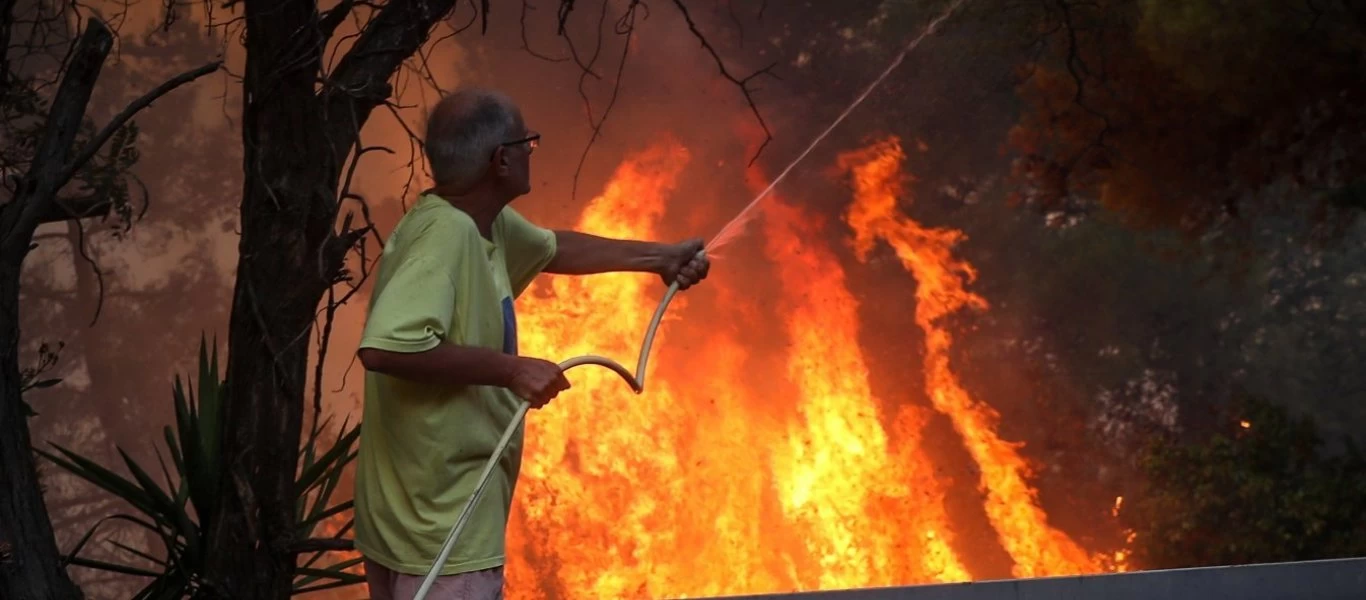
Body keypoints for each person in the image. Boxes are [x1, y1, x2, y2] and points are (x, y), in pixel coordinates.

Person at [351, 87, 710, 600]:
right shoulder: (445, 239)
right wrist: (510, 370)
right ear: (501, 160)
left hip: (414, 514)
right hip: (441, 524)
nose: (530, 152)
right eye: (527, 143)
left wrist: (660, 258)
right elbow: (385, 349)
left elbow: (554, 247)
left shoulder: (475, 221)